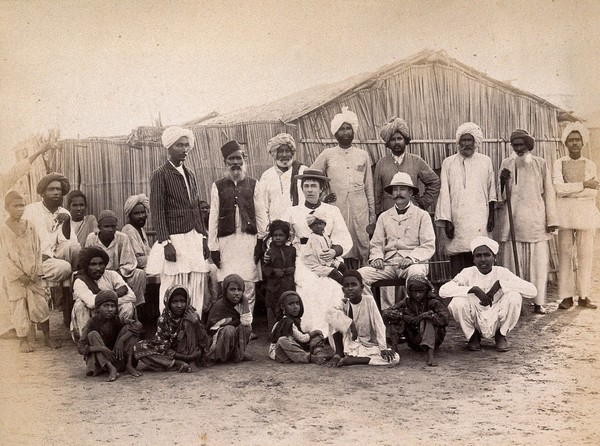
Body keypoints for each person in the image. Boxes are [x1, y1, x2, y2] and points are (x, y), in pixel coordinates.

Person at [281, 169, 352, 336]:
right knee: (309, 286)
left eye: (314, 186)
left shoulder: (332, 211)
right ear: (302, 188)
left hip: (327, 258)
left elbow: (344, 239)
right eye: (306, 186)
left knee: (333, 287)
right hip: (303, 258)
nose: (310, 190)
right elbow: (281, 237)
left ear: (322, 189)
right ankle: (312, 333)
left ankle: (334, 334)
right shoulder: (292, 212)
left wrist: (334, 251)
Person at [208, 140, 268, 337]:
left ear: (244, 160)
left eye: (238, 158)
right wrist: (213, 247)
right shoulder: (217, 186)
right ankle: (229, 325)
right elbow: (213, 217)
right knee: (227, 284)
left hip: (248, 241)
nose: (235, 163)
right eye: (231, 159)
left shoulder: (254, 184)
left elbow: (261, 215)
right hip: (226, 243)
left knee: (248, 285)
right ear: (225, 162)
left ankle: (246, 327)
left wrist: (260, 241)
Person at [147, 126, 209, 313]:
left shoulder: (190, 174)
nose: (184, 149)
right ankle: (170, 328)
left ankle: (193, 326)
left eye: (186, 145)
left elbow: (196, 207)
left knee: (196, 282)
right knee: (173, 282)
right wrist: (166, 243)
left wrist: (204, 238)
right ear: (168, 147)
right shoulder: (160, 174)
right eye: (179, 145)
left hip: (194, 236)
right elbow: (157, 210)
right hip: (175, 237)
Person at [440, 236, 537, 352]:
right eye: (478, 256)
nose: (483, 259)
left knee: (515, 296)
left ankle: (501, 335)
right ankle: (472, 336)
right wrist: (473, 289)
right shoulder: (468, 272)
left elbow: (532, 291)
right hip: (475, 317)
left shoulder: (502, 272)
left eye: (487, 255)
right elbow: (443, 290)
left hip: (497, 317)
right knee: (457, 302)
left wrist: (500, 284)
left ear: (494, 257)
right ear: (473, 259)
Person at [498, 129, 558, 314]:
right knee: (512, 264)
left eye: (521, 145)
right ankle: (515, 303)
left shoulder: (540, 163)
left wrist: (552, 219)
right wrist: (502, 181)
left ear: (528, 145)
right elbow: (500, 194)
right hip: (512, 221)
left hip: (535, 220)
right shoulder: (506, 163)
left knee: (537, 264)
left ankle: (538, 302)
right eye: (515, 145)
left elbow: (549, 192)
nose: (518, 149)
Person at [358, 172, 436, 309]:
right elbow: (376, 243)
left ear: (411, 192)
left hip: (413, 264)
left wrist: (412, 258)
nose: (398, 193)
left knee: (416, 276)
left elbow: (428, 244)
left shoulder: (422, 215)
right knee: (360, 276)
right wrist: (377, 257)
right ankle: (373, 315)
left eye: (402, 189)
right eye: (395, 189)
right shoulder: (384, 216)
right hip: (388, 264)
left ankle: (414, 317)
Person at [310, 107, 375, 268]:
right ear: (335, 132)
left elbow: (369, 187)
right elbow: (311, 176)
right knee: (338, 244)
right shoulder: (328, 154)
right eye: (341, 129)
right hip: (336, 209)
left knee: (362, 247)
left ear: (353, 131)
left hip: (360, 211)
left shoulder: (362, 155)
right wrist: (323, 197)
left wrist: (372, 215)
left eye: (348, 128)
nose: (345, 132)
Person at [0, 191, 59, 352]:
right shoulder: (3, 231)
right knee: (19, 308)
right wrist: (19, 275)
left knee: (40, 305)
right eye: (15, 206)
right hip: (16, 279)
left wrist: (36, 271)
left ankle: (47, 338)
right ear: (7, 208)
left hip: (33, 276)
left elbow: (37, 250)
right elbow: (4, 258)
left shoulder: (30, 226)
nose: (19, 209)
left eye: (22, 206)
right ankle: (23, 341)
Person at [435, 122, 497, 276]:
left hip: (480, 217)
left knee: (479, 251)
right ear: (458, 142)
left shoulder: (485, 161)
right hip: (457, 218)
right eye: (464, 140)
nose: (467, 144)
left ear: (475, 142)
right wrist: (447, 221)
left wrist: (492, 217)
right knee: (457, 254)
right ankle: (459, 293)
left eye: (470, 140)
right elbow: (444, 193)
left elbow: (492, 191)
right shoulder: (448, 163)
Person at [553, 122, 600, 310]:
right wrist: (582, 185)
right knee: (565, 255)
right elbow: (559, 188)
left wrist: (572, 189)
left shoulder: (590, 164)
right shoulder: (559, 163)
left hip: (586, 214)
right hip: (565, 214)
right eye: (570, 140)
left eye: (577, 140)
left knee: (585, 255)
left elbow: (593, 192)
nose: (574, 143)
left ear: (582, 143)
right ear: (566, 143)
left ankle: (584, 295)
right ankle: (566, 296)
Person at [325, 270, 399, 367]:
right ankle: (339, 354)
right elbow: (328, 314)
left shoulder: (369, 301)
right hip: (347, 344)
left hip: (368, 345)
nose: (350, 288)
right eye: (346, 286)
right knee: (336, 314)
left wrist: (383, 348)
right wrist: (350, 323)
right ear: (343, 290)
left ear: (362, 288)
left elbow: (379, 324)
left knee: (395, 358)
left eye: (353, 285)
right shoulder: (343, 303)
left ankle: (356, 360)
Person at [134, 285, 209, 373]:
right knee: (139, 347)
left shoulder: (191, 314)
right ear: (168, 303)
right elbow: (162, 346)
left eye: (182, 301)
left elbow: (204, 342)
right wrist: (187, 357)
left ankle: (188, 363)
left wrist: (196, 323)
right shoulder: (163, 319)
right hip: (174, 353)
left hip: (193, 352)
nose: (179, 305)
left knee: (188, 322)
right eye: (174, 302)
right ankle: (177, 364)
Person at [374, 117, 440, 215]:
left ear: (405, 141)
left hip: (412, 214)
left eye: (399, 138)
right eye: (393, 139)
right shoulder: (381, 164)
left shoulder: (416, 161)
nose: (397, 142)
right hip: (389, 215)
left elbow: (435, 182)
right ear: (388, 143)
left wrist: (423, 203)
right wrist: (377, 214)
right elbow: (377, 194)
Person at [23, 172, 81, 283]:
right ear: (43, 193)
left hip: (55, 257)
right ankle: (35, 276)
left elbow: (70, 243)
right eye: (51, 189)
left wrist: (67, 223)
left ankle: (73, 279)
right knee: (63, 268)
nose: (56, 193)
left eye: (58, 190)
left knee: (75, 247)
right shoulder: (30, 210)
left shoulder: (64, 213)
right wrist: (38, 256)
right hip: (35, 258)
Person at [70, 247, 136, 340]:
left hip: (112, 319)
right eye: (93, 264)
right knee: (80, 305)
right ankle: (88, 340)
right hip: (91, 320)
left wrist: (107, 303)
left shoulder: (112, 275)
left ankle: (118, 338)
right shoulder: (80, 280)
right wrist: (115, 294)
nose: (98, 268)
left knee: (128, 306)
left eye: (101, 264)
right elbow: (92, 303)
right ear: (86, 266)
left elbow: (132, 296)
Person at [382, 275, 448, 366]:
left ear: (426, 291)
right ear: (409, 291)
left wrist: (424, 316)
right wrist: (404, 317)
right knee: (395, 317)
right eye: (414, 291)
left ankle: (430, 354)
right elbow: (386, 313)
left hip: (434, 341)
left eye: (421, 291)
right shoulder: (406, 302)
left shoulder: (433, 302)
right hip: (413, 341)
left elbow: (445, 319)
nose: (417, 295)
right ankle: (394, 349)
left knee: (428, 320)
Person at [85, 210, 146, 307]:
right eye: (106, 226)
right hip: (98, 274)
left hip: (120, 274)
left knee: (139, 274)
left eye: (113, 226)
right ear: (99, 227)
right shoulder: (91, 238)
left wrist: (119, 273)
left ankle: (136, 307)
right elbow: (87, 262)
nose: (110, 230)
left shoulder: (122, 237)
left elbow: (129, 262)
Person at [77, 290, 142, 382]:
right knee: (92, 335)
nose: (110, 309)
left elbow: (138, 325)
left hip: (117, 358)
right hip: (100, 362)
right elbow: (81, 348)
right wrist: (101, 348)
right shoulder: (91, 323)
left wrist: (121, 340)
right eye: (106, 305)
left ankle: (129, 365)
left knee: (130, 329)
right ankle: (111, 368)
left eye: (113, 306)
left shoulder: (117, 319)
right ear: (97, 308)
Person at [269, 291, 330, 365]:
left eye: (297, 303)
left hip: (293, 351)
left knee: (316, 337)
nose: (296, 307)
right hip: (280, 354)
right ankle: (310, 358)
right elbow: (303, 339)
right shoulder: (286, 322)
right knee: (282, 340)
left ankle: (318, 352)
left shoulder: (296, 321)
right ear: (282, 307)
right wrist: (313, 333)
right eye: (291, 304)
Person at [259, 133, 306, 222]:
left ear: (292, 152)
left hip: (301, 224)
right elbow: (263, 206)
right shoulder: (267, 176)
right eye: (281, 151)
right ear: (275, 153)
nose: (284, 155)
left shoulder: (302, 171)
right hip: (277, 229)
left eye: (287, 151)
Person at [205, 274, 253, 363]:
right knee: (229, 330)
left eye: (240, 290)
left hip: (231, 337)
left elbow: (247, 322)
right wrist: (233, 325)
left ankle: (238, 354)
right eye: (232, 289)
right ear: (225, 290)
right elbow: (211, 330)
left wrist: (245, 303)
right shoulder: (220, 306)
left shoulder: (241, 303)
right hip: (217, 341)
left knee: (246, 327)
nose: (236, 293)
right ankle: (221, 357)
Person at [262, 219, 296, 332]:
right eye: (275, 235)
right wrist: (274, 270)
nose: (278, 238)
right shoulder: (270, 251)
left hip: (288, 284)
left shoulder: (292, 250)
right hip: (274, 286)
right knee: (274, 307)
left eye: (281, 235)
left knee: (288, 305)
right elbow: (265, 268)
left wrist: (292, 268)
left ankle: (288, 331)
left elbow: (295, 263)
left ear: (286, 237)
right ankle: (274, 332)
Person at [302, 206, 346, 284]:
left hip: (326, 260)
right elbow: (320, 257)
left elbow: (329, 246)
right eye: (315, 224)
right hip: (316, 264)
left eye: (320, 223)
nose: (319, 226)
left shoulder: (324, 235)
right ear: (310, 227)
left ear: (324, 224)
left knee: (342, 266)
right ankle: (344, 285)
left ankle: (349, 280)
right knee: (334, 272)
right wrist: (331, 265)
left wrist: (334, 261)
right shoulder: (314, 239)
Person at [121, 194, 152, 271]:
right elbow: (137, 261)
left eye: (143, 212)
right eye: (136, 213)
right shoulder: (129, 230)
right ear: (129, 215)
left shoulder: (140, 229)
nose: (141, 216)